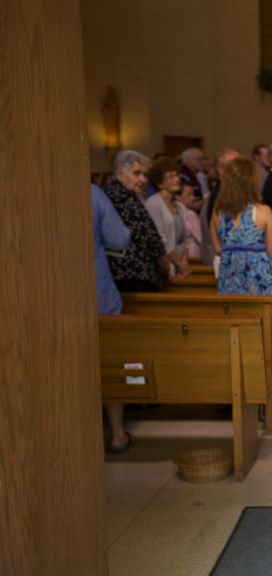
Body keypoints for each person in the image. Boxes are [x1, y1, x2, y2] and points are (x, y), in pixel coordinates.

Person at [91, 183, 133, 452]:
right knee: (108, 358)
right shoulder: (92, 193)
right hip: (95, 286)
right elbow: (119, 239)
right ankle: (117, 433)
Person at [104, 150, 170, 293]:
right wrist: (163, 259)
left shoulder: (117, 193)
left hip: (124, 271)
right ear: (120, 174)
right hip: (132, 272)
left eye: (145, 175)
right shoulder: (122, 197)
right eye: (136, 173)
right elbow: (145, 233)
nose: (142, 180)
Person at [210, 158, 272, 295]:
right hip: (259, 277)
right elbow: (271, 252)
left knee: (234, 314)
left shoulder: (217, 211)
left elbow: (218, 249)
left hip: (229, 276)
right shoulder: (264, 211)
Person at [144, 158, 190, 277]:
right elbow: (161, 240)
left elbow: (184, 238)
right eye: (171, 176)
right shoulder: (153, 203)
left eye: (177, 175)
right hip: (164, 267)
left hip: (178, 265)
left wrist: (184, 261)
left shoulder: (178, 206)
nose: (177, 179)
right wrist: (180, 264)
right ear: (160, 183)